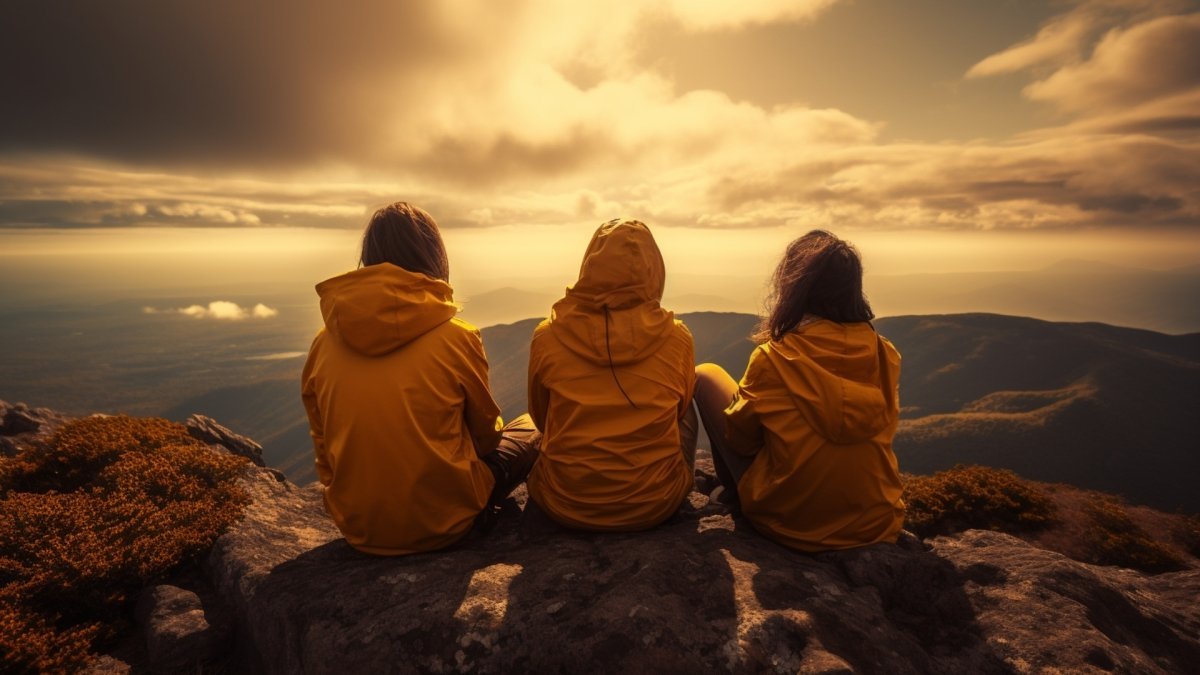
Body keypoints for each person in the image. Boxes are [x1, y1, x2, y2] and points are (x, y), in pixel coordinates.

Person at [300, 202, 539, 556]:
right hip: (447, 525)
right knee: (532, 427)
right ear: (433, 256)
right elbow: (486, 437)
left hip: (360, 529)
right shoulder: (457, 336)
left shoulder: (323, 344)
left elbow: (324, 448)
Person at [694, 230, 904, 552]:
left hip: (789, 521)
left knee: (706, 375)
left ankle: (734, 495)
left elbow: (741, 440)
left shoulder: (774, 357)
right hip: (874, 523)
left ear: (794, 286)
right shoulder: (884, 354)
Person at [526, 219, 697, 531]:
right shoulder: (678, 338)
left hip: (563, 503)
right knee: (691, 395)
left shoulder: (547, 335)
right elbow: (680, 410)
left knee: (524, 425)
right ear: (655, 270)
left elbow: (541, 418)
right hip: (657, 504)